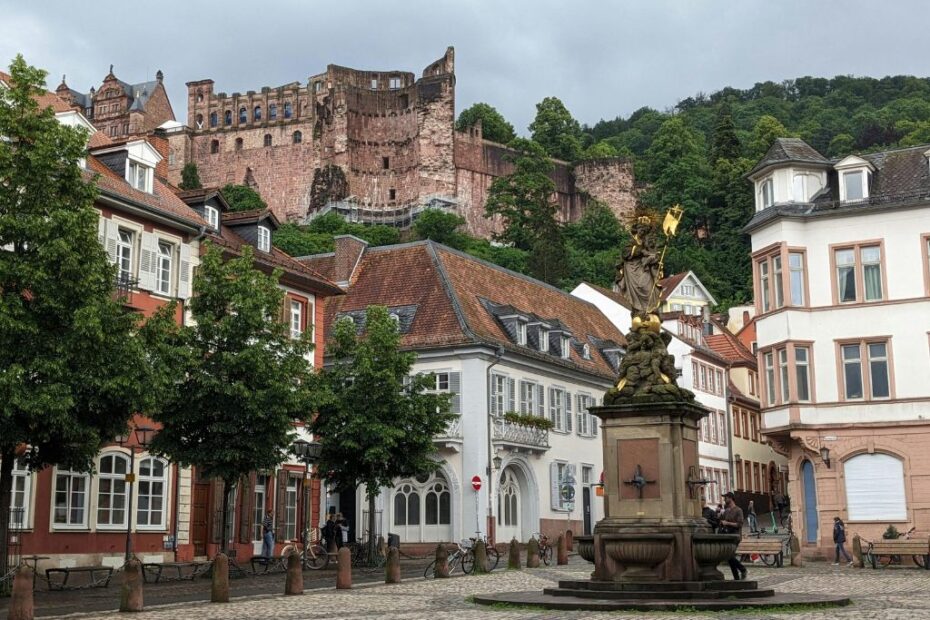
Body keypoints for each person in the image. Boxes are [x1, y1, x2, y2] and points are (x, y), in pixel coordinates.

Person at [720, 492, 747, 581]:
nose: (724, 499)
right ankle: (736, 577)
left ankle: (743, 569)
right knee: (729, 556)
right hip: (727, 536)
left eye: (726, 497)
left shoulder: (738, 510)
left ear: (731, 498)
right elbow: (722, 521)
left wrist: (727, 523)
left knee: (730, 555)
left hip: (735, 536)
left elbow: (739, 524)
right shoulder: (726, 510)